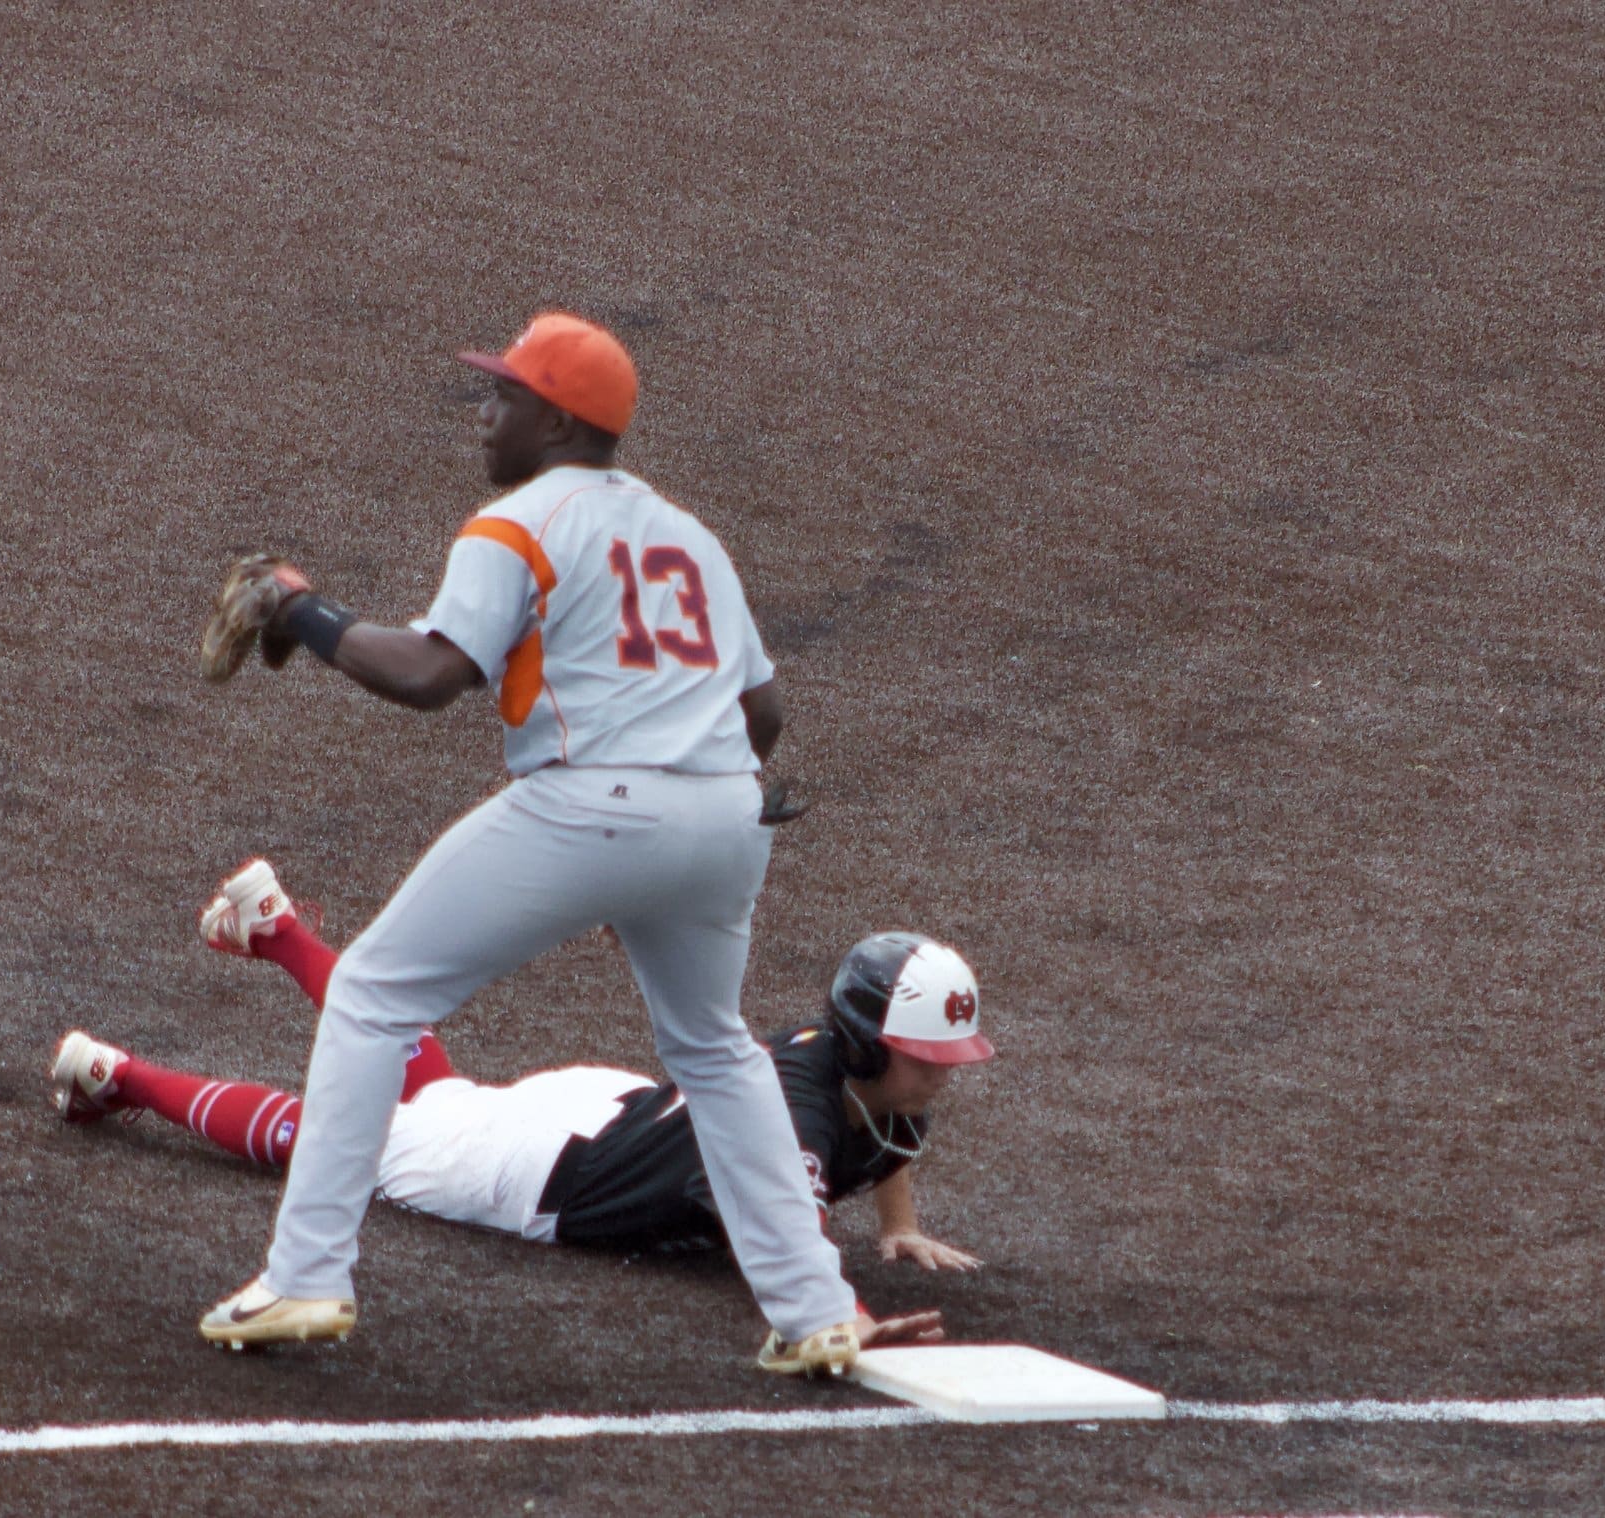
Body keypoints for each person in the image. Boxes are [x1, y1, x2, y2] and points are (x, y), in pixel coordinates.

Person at [190, 313, 868, 1374]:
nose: (484, 413)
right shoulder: (692, 537)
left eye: (502, 395)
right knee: (713, 1047)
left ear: (557, 419)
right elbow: (764, 715)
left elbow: (427, 675)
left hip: (592, 806)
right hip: (724, 816)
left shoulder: (514, 524)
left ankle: (305, 1278)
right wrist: (681, 833)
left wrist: (303, 611)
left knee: (371, 993)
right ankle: (815, 1305)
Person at [49, 859, 994, 1351]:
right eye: (927, 1054)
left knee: (429, 1093)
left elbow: (891, 1133)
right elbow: (782, 1236)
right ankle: (116, 1075)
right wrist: (846, 1315)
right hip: (548, 1167)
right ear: (870, 1040)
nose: (942, 1072)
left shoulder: (871, 1080)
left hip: (604, 1113)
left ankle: (281, 930)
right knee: (340, 1138)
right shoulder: (800, 1107)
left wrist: (897, 1223)